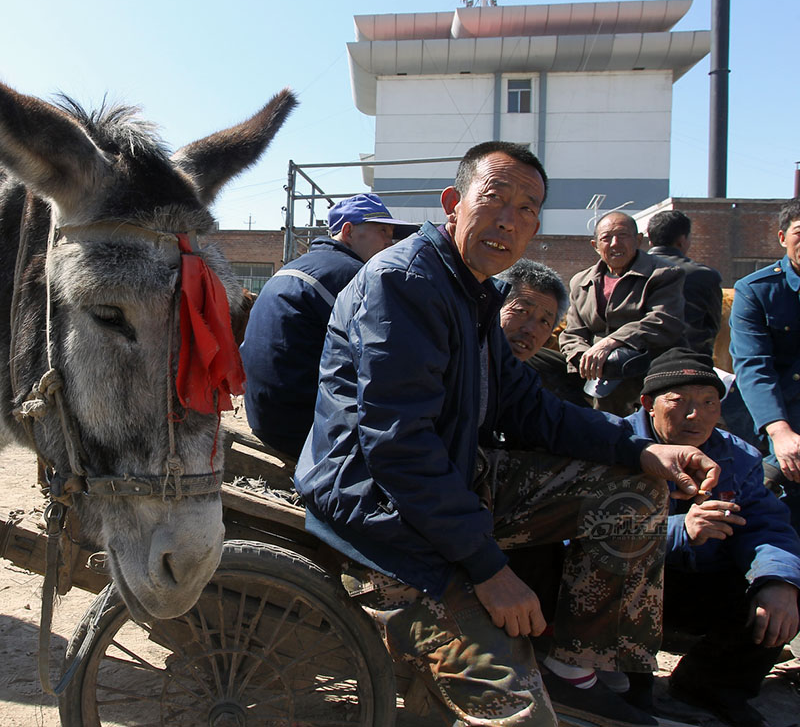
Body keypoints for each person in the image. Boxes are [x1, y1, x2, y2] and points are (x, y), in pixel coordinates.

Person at [294, 141, 719, 727]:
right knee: (518, 715)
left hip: (450, 484)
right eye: (494, 198)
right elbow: (398, 446)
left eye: (527, 209)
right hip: (381, 516)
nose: (509, 220)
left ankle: (577, 671)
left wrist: (641, 447)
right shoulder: (405, 283)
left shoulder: (474, 293)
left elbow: (532, 408)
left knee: (634, 492)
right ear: (453, 203)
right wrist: (489, 570)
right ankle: (525, 688)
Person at [626, 348, 800, 727]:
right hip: (628, 593)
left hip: (701, 589)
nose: (695, 415)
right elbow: (579, 534)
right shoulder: (614, 444)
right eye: (680, 401)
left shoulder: (737, 457)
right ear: (648, 404)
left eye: (708, 403)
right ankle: (621, 686)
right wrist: (679, 531)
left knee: (784, 586)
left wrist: (777, 582)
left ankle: (709, 685)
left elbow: (766, 527)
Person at [240, 193, 407, 459]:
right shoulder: (353, 276)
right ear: (349, 231)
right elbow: (385, 358)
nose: (390, 241)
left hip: (264, 419)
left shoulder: (294, 267)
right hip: (303, 432)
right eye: (382, 231)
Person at [558, 211, 686, 415]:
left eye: (623, 236)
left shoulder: (664, 274)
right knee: (535, 363)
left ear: (639, 240)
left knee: (615, 364)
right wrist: (584, 357)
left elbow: (663, 321)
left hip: (643, 364)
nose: (615, 243)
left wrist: (610, 343)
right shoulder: (580, 281)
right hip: (594, 369)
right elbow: (572, 333)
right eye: (606, 238)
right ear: (595, 246)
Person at [731, 200, 800, 530]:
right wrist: (779, 430)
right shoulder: (755, 291)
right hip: (782, 421)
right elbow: (753, 365)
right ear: (782, 237)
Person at [497, 260, 589, 408]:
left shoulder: (525, 385)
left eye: (544, 322)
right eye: (522, 311)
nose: (531, 329)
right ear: (494, 307)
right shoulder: (460, 360)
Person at [646, 210, 723, 356]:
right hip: (690, 360)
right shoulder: (704, 276)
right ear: (682, 240)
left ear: (650, 240)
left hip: (637, 362)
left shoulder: (631, 272)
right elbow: (713, 325)